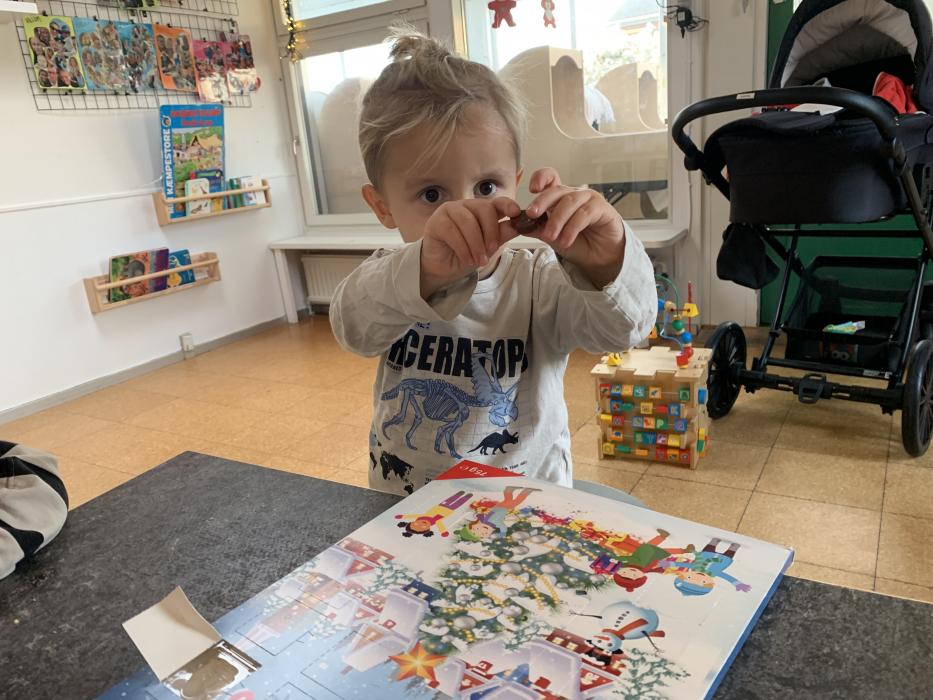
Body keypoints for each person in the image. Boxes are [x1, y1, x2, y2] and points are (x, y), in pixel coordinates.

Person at [330, 29, 656, 495]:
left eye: (486, 187)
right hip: (404, 506)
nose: (465, 212)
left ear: (515, 183)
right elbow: (353, 330)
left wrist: (608, 262)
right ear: (382, 206)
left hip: (526, 505)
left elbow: (624, 330)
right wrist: (424, 271)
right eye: (431, 194)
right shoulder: (390, 280)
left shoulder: (540, 280)